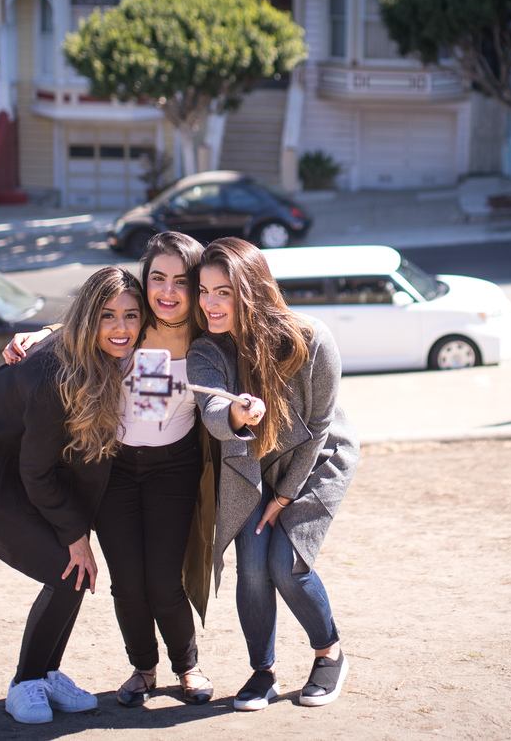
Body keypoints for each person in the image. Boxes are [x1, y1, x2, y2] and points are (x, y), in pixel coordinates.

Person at [4, 232, 219, 707]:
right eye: (157, 279)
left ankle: (188, 666)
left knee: (165, 579)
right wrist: (40, 335)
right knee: (127, 580)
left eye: (180, 281)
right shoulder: (134, 323)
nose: (167, 291)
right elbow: (90, 323)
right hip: (115, 469)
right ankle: (142, 668)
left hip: (174, 468)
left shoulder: (209, 336)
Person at [0, 266, 144, 725]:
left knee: (74, 575)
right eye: (108, 316)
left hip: (33, 464)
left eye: (131, 316)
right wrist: (75, 534)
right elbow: (35, 469)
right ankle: (25, 682)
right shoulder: (59, 372)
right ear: (89, 318)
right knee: (67, 567)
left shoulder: (104, 354)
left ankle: (47, 673)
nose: (122, 328)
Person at [189, 237, 359, 712]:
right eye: (204, 291)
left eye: (223, 292)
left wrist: (284, 498)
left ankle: (330, 653)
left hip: (316, 460)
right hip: (247, 468)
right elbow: (212, 408)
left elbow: (321, 427)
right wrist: (239, 416)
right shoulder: (206, 349)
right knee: (254, 568)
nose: (209, 303)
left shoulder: (311, 337)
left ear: (252, 290)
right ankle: (261, 672)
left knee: (287, 563)